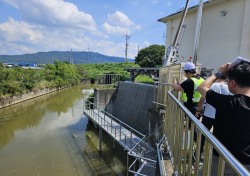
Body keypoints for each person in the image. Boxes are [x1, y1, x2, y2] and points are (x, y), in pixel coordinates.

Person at [198, 56, 250, 174]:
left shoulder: (228, 102)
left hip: (223, 159)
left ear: (232, 83)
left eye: (228, 80)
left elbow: (202, 87)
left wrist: (219, 72)